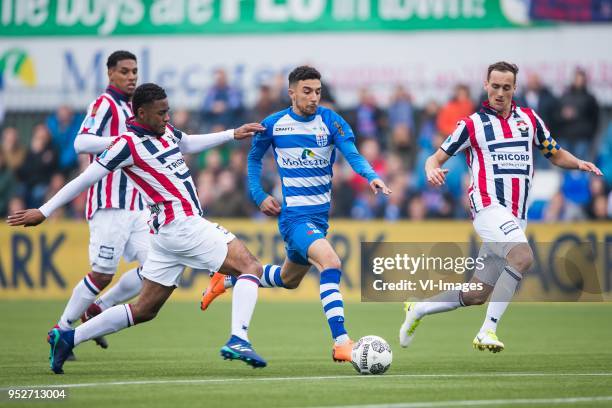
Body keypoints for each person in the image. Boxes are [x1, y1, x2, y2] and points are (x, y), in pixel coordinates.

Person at [7, 83, 267, 374]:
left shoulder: (164, 131)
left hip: (165, 235)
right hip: (183, 226)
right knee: (250, 267)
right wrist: (44, 210)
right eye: (161, 113)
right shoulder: (126, 144)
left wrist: (232, 133)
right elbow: (85, 178)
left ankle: (69, 338)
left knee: (145, 310)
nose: (167, 118)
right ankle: (238, 338)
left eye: (168, 111)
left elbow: (189, 142)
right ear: (141, 113)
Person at [399, 61, 602, 353]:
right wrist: (431, 169)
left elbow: (554, 153)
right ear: (486, 86)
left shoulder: (530, 120)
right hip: (487, 208)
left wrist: (579, 163)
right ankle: (487, 331)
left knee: (477, 293)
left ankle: (417, 309)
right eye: (495, 86)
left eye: (506, 87)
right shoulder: (473, 124)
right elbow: (436, 157)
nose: (500, 92)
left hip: (516, 217)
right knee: (522, 256)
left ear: (514, 89)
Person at [200, 66, 391, 362]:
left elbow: (352, 153)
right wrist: (259, 195)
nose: (314, 97)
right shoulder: (274, 124)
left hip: (318, 220)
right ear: (291, 93)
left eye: (318, 91)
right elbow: (253, 159)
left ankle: (226, 281)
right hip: (294, 219)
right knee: (331, 262)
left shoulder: (331, 121)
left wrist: (370, 176)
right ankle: (341, 341)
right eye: (307, 91)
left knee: (289, 280)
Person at [47, 50, 143, 352]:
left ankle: (99, 308)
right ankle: (61, 329)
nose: (131, 77)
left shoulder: (133, 108)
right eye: (125, 72)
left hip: (137, 205)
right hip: (109, 204)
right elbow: (81, 142)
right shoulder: (104, 104)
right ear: (110, 73)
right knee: (102, 273)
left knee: (161, 267)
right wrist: (121, 143)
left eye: (135, 72)